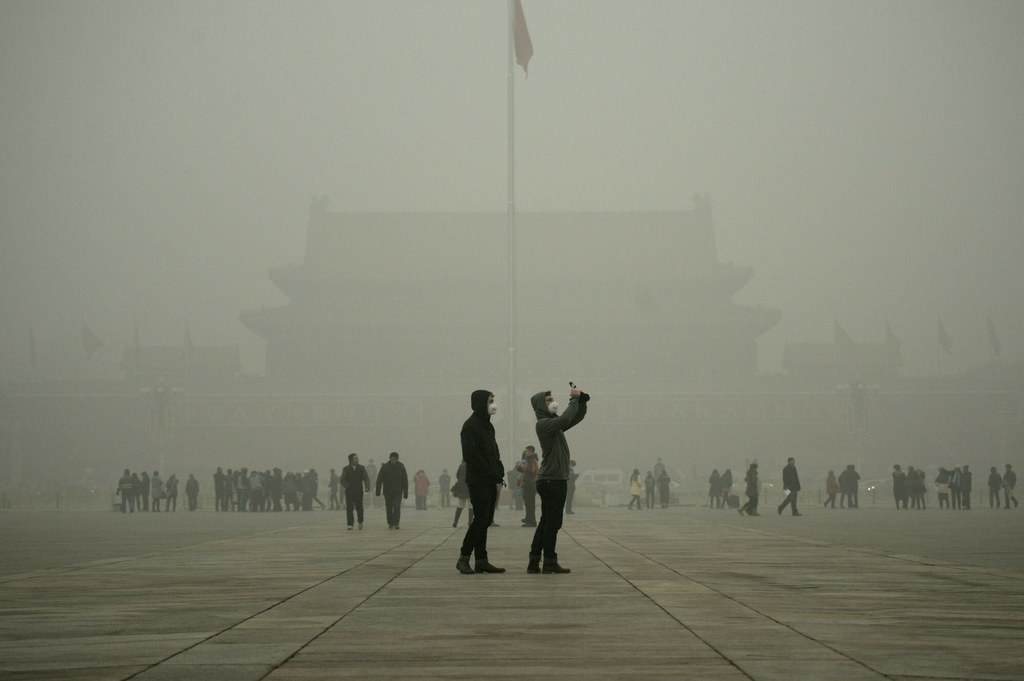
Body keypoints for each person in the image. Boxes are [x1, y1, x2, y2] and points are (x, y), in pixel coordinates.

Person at [528, 385, 588, 574]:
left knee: (546, 522)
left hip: (551, 479)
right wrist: (573, 399)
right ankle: (550, 562)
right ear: (540, 406)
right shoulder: (544, 424)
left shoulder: (554, 425)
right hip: (552, 480)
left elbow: (574, 418)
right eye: (548, 400)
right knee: (553, 523)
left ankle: (534, 561)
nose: (552, 401)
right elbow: (566, 417)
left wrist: (582, 402)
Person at [456, 389, 506, 574]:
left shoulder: (488, 425)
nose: (493, 404)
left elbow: (494, 451)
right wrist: (490, 471)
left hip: (490, 479)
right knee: (481, 520)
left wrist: (498, 470)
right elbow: (470, 455)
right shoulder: (470, 426)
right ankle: (463, 557)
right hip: (478, 480)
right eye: (490, 401)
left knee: (485, 520)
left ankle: (482, 560)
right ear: (480, 404)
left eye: (493, 400)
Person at [376, 452, 408, 529]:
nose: (393, 460)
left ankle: (396, 523)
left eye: (395, 459)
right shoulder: (385, 467)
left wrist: (405, 491)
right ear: (390, 459)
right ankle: (390, 523)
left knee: (397, 506)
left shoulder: (401, 467)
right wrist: (378, 490)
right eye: (392, 458)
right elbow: (379, 479)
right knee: (389, 507)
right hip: (388, 491)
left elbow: (404, 480)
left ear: (397, 459)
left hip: (398, 491)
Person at [341, 453, 370, 530]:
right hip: (349, 492)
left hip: (358, 491)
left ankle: (360, 521)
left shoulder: (361, 468)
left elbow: (366, 478)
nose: (357, 460)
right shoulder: (346, 469)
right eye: (355, 458)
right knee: (349, 508)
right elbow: (342, 480)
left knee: (359, 507)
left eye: (357, 458)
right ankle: (350, 524)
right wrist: (347, 486)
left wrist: (367, 486)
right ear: (351, 460)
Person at [518, 447, 539, 527]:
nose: (526, 452)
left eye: (527, 451)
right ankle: (529, 519)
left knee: (530, 503)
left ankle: (531, 521)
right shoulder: (530, 460)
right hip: (528, 483)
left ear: (530, 452)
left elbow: (529, 471)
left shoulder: (531, 461)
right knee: (528, 503)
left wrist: (520, 466)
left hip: (529, 484)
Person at [451, 461, 472, 528]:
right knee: (471, 505)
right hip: (470, 487)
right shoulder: (474, 465)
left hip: (462, 487)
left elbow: (457, 475)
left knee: (460, 505)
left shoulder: (461, 466)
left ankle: (455, 522)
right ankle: (470, 522)